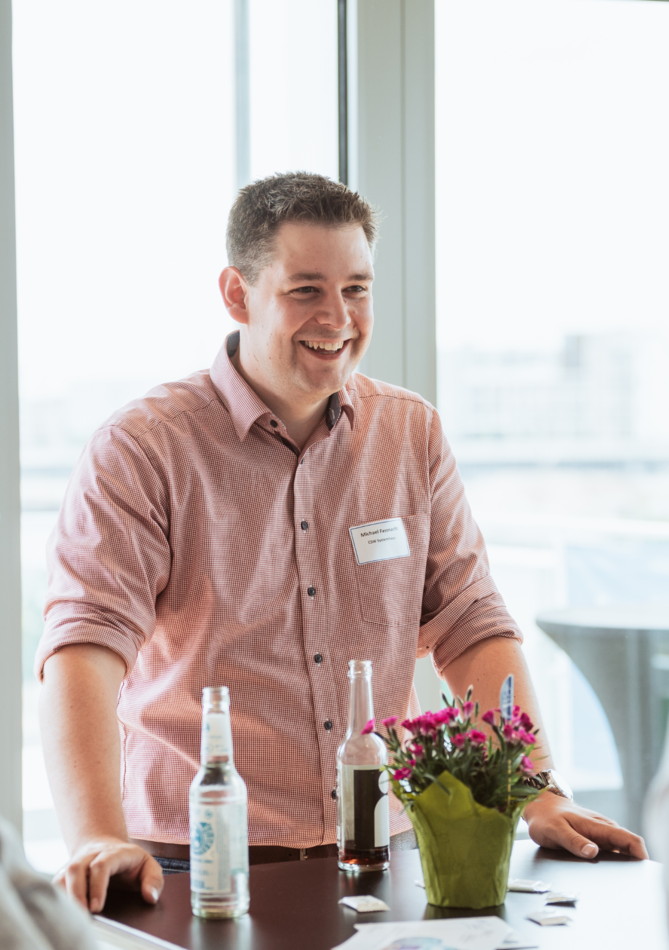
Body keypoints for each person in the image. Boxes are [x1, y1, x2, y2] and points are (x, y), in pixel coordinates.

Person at [36, 172, 647, 914]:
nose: (337, 317)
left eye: (356, 288)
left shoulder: (410, 432)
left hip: (383, 853)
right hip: (189, 863)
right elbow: (85, 646)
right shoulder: (143, 448)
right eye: (305, 290)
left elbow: (469, 622)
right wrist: (97, 836)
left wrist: (534, 789)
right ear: (237, 294)